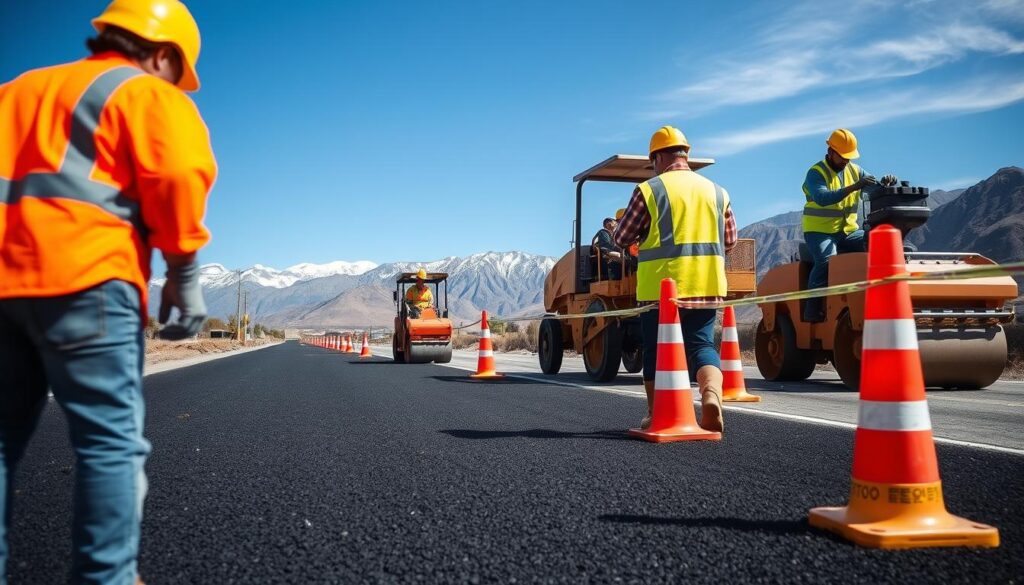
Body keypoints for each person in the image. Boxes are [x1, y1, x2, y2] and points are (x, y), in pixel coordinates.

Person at [0, 1, 215, 582]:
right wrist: (184, 276)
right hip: (86, 278)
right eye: (179, 72)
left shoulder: (15, 90)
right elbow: (175, 176)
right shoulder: (146, 92)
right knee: (107, 445)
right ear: (165, 55)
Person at [614, 126, 737, 433]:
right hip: (706, 284)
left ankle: (657, 413)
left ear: (657, 157)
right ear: (686, 153)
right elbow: (731, 240)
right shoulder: (717, 192)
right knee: (701, 346)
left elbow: (621, 237)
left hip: (660, 290)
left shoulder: (649, 190)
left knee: (656, 350)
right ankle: (711, 395)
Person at [802, 128, 896, 322]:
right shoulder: (816, 173)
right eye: (842, 156)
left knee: (875, 243)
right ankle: (812, 310)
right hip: (820, 232)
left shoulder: (855, 170)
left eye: (848, 157)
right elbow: (822, 198)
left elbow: (872, 189)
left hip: (848, 232)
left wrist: (886, 183)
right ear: (830, 152)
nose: (846, 161)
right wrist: (855, 186)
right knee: (826, 261)